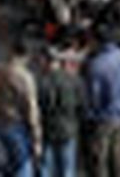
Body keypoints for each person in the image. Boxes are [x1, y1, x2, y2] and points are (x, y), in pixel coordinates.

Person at [84, 26, 120, 177]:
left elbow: (94, 97)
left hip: (103, 116)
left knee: (100, 158)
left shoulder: (97, 64)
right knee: (117, 155)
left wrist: (90, 116)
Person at [0, 33, 42, 177]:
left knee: (12, 161)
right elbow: (31, 109)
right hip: (17, 125)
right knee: (24, 165)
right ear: (26, 56)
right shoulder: (25, 77)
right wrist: (37, 138)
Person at [36, 40, 84, 177]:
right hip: (69, 129)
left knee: (46, 167)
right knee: (67, 168)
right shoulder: (74, 80)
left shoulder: (42, 82)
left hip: (49, 130)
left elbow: (40, 107)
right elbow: (81, 105)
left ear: (47, 61)